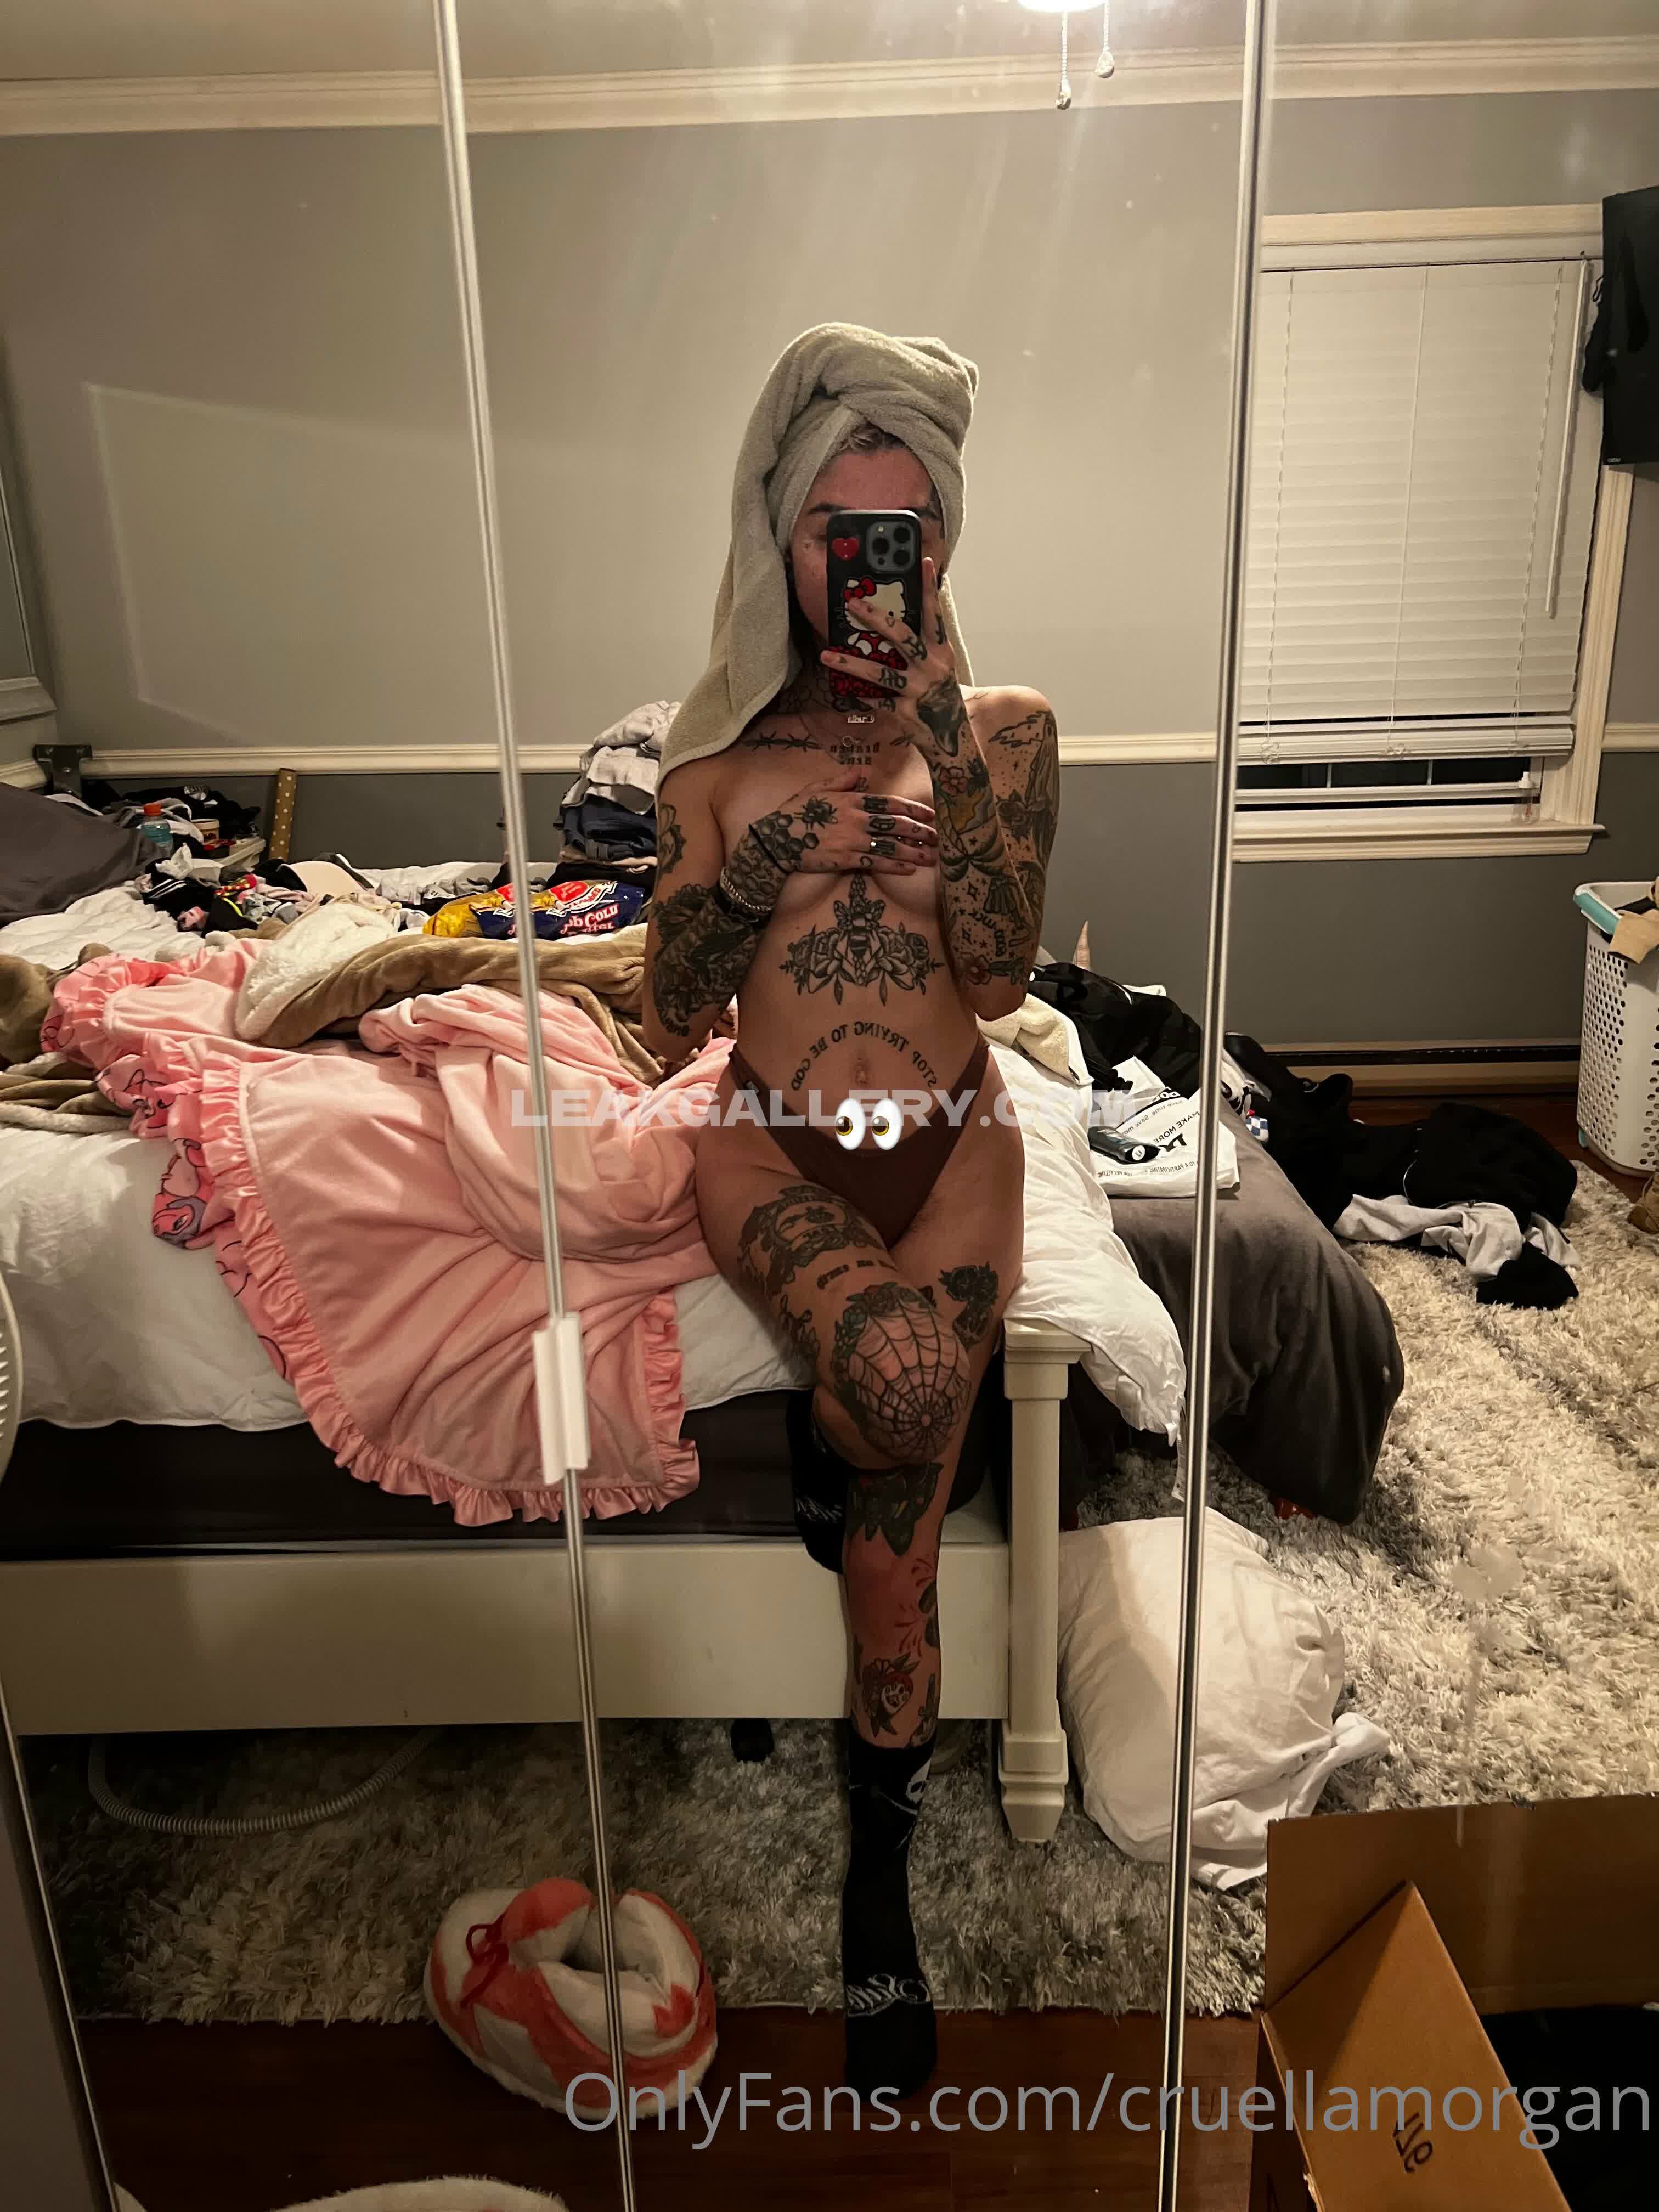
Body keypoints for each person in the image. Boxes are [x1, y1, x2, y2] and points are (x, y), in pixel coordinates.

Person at [642, 327, 1058, 2098]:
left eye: (907, 529)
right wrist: (756, 867)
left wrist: (944, 763)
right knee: (898, 1383)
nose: (875, 563)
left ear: (942, 544)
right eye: (841, 529)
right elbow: (670, 1010)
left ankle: (878, 1868)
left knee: (893, 1567)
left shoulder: (1009, 735)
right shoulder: (713, 761)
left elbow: (1006, 973)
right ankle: (845, 1415)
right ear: (788, 544)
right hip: (777, 1147)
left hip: (948, 1146)